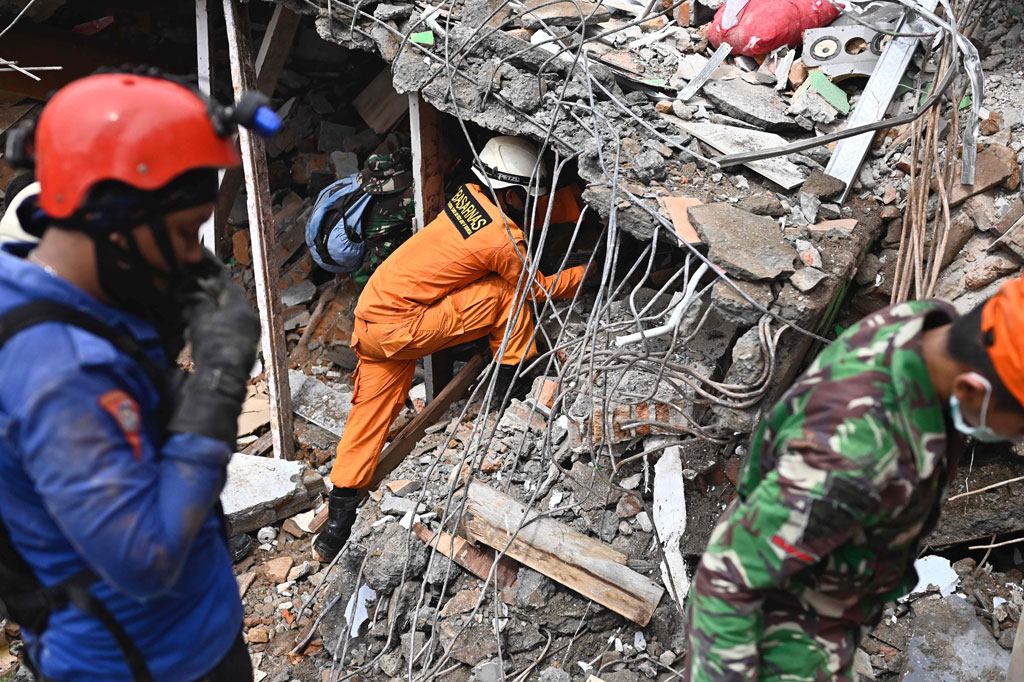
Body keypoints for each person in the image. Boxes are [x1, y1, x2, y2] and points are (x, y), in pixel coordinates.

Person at [0, 73, 268, 681]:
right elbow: (145, 559)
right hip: (144, 663)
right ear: (111, 217)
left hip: (188, 635)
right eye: (180, 234)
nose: (191, 255)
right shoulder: (60, 373)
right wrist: (219, 387)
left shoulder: (46, 279)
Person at [685, 280, 1024, 682]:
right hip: (788, 634)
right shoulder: (853, 462)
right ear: (972, 388)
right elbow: (726, 580)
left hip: (827, 574)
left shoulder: (925, 324)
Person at [313, 135, 588, 561]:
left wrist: (573, 201)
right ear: (513, 194)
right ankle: (516, 381)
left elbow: (515, 219)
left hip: (371, 319)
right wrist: (586, 274)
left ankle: (336, 523)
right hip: (402, 327)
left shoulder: (467, 197)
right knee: (504, 295)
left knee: (367, 418)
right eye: (525, 196)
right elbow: (536, 290)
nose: (526, 203)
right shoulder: (503, 238)